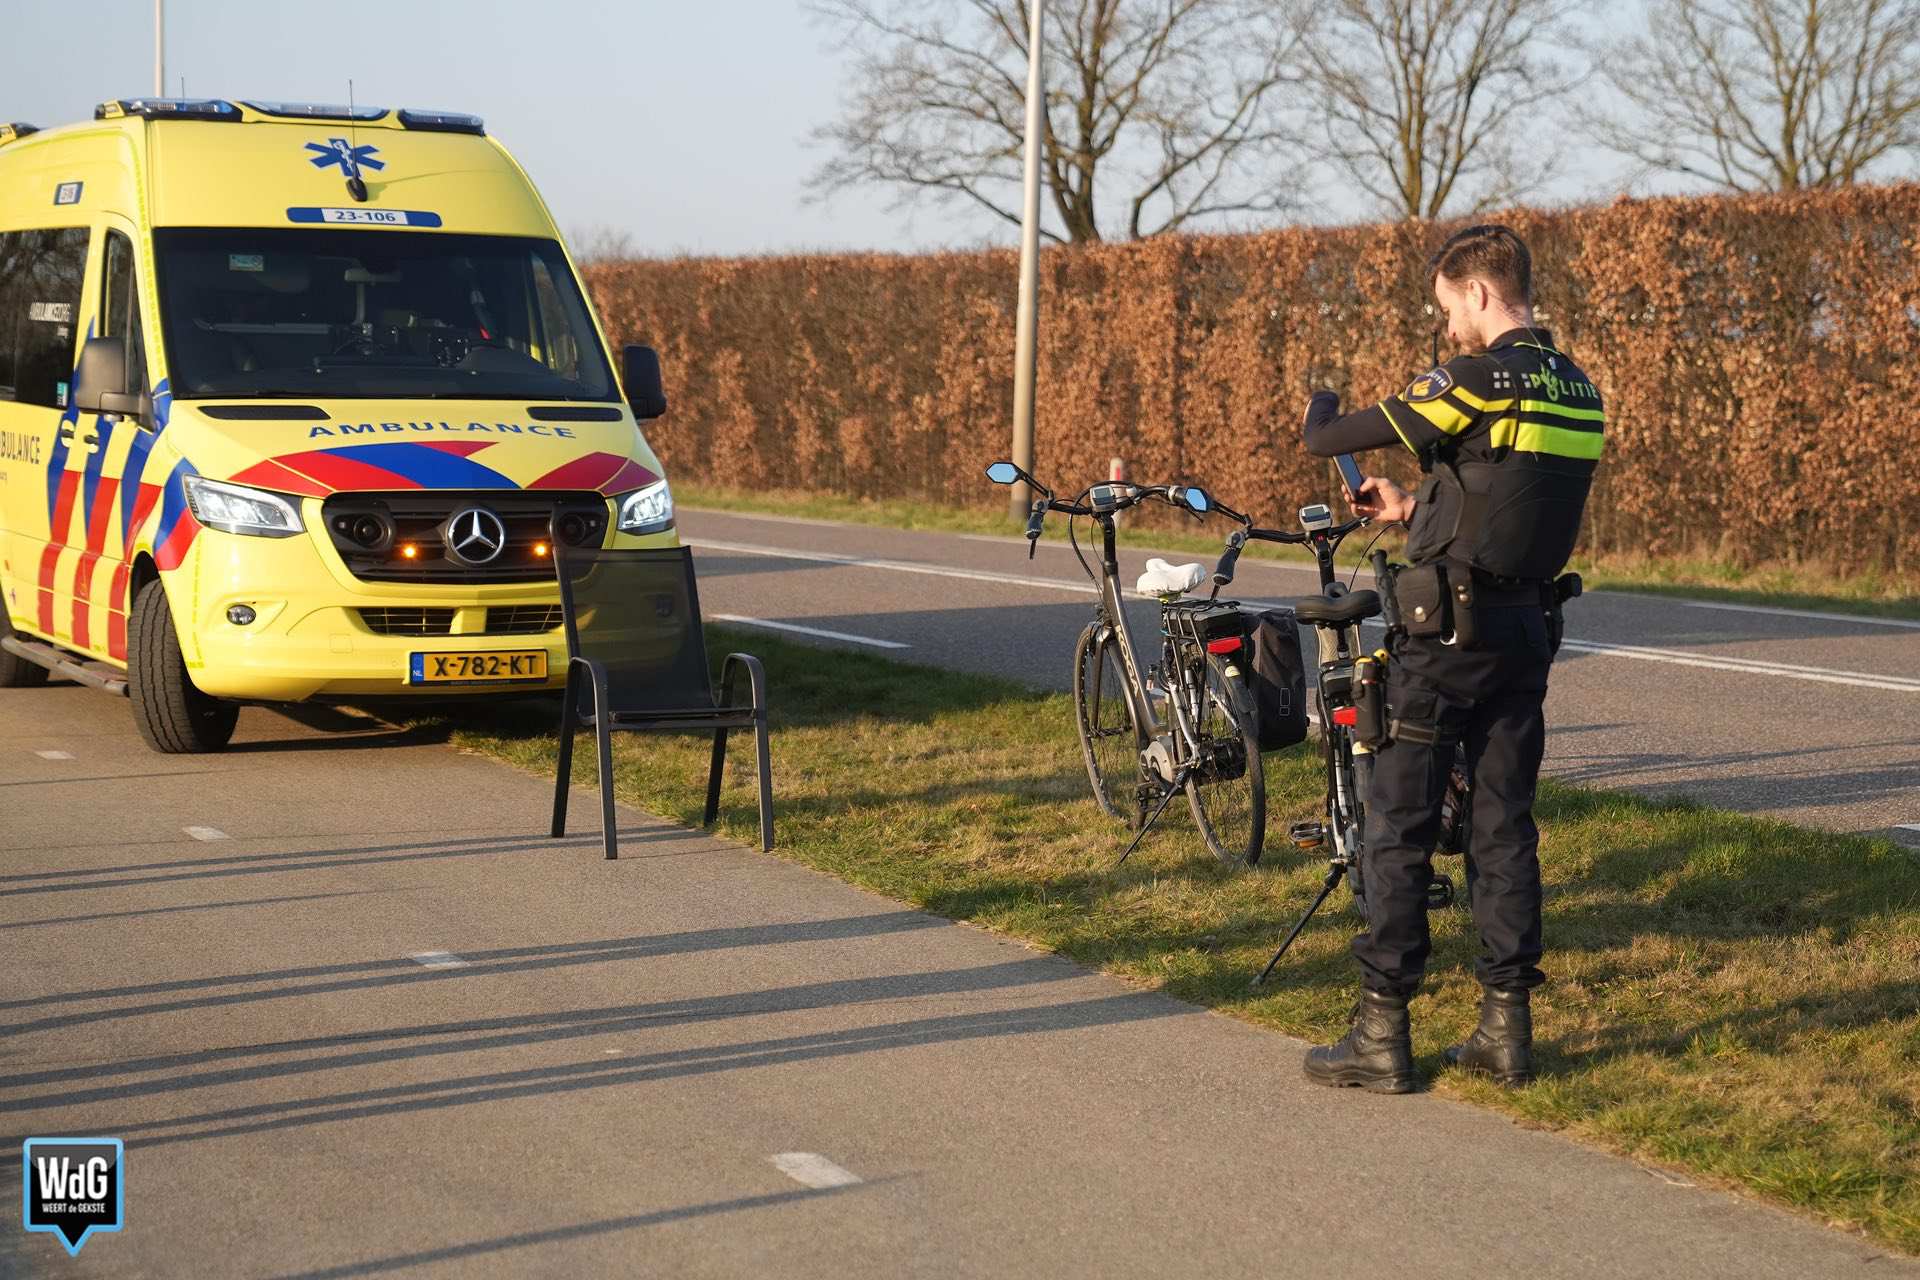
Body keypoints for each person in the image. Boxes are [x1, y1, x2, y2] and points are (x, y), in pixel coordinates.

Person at [1295, 224, 1605, 1094]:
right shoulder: (1579, 391)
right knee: (1504, 825)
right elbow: (1506, 495)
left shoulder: (1477, 377)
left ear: (1475, 292)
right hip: (1526, 635)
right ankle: (1506, 1030)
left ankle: (1380, 1033)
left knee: (1397, 822)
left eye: (1448, 311)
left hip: (1444, 642)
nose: (1449, 330)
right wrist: (1415, 505)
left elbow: (1331, 438)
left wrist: (1321, 403)